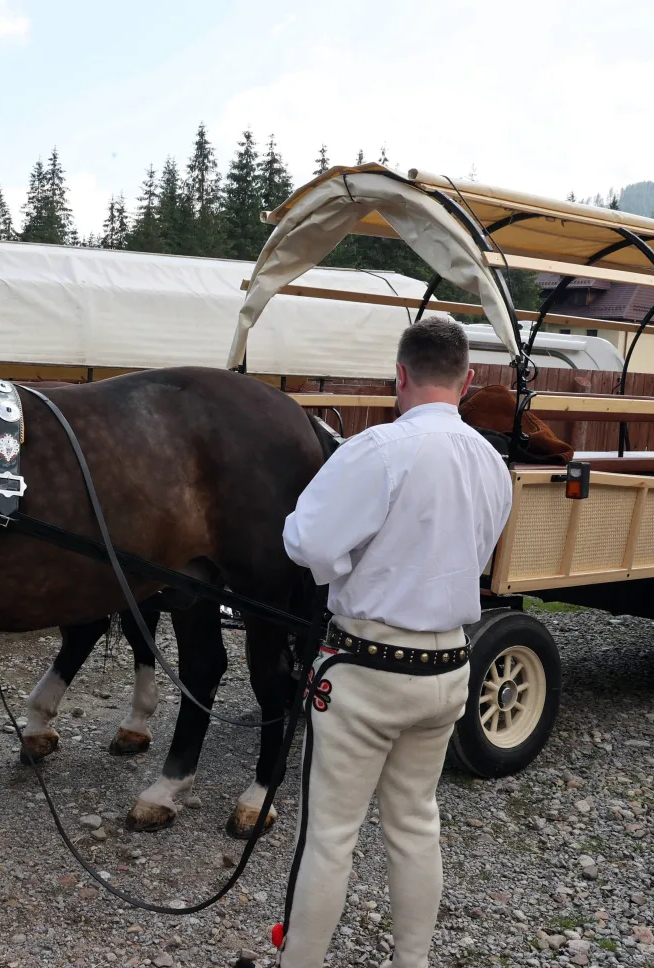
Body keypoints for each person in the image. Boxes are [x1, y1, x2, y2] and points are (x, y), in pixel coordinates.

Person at [261, 315, 513, 968]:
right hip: (448, 667)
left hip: (367, 668)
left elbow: (307, 543)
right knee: (415, 822)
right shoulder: (491, 463)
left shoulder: (375, 450)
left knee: (330, 835)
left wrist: (345, 567)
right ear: (467, 380)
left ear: (399, 374)